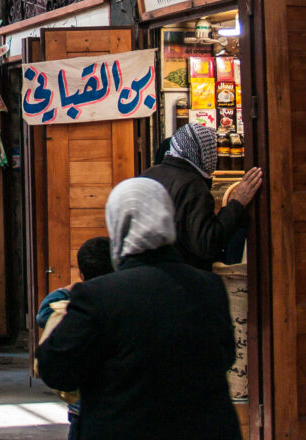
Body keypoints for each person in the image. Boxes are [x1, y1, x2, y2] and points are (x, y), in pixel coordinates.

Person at [36, 177, 240, 440]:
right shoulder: (209, 286)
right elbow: (225, 356)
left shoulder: (98, 296)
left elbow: (56, 369)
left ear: (118, 225)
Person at [141, 123, 263, 270]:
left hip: (150, 271)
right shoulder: (192, 185)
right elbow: (206, 243)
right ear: (202, 151)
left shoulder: (150, 174)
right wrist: (237, 203)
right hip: (182, 275)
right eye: (212, 150)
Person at [35, 236, 113, 440]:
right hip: (120, 404)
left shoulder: (75, 306)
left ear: (81, 273)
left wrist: (73, 288)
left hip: (82, 405)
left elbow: (44, 313)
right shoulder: (125, 303)